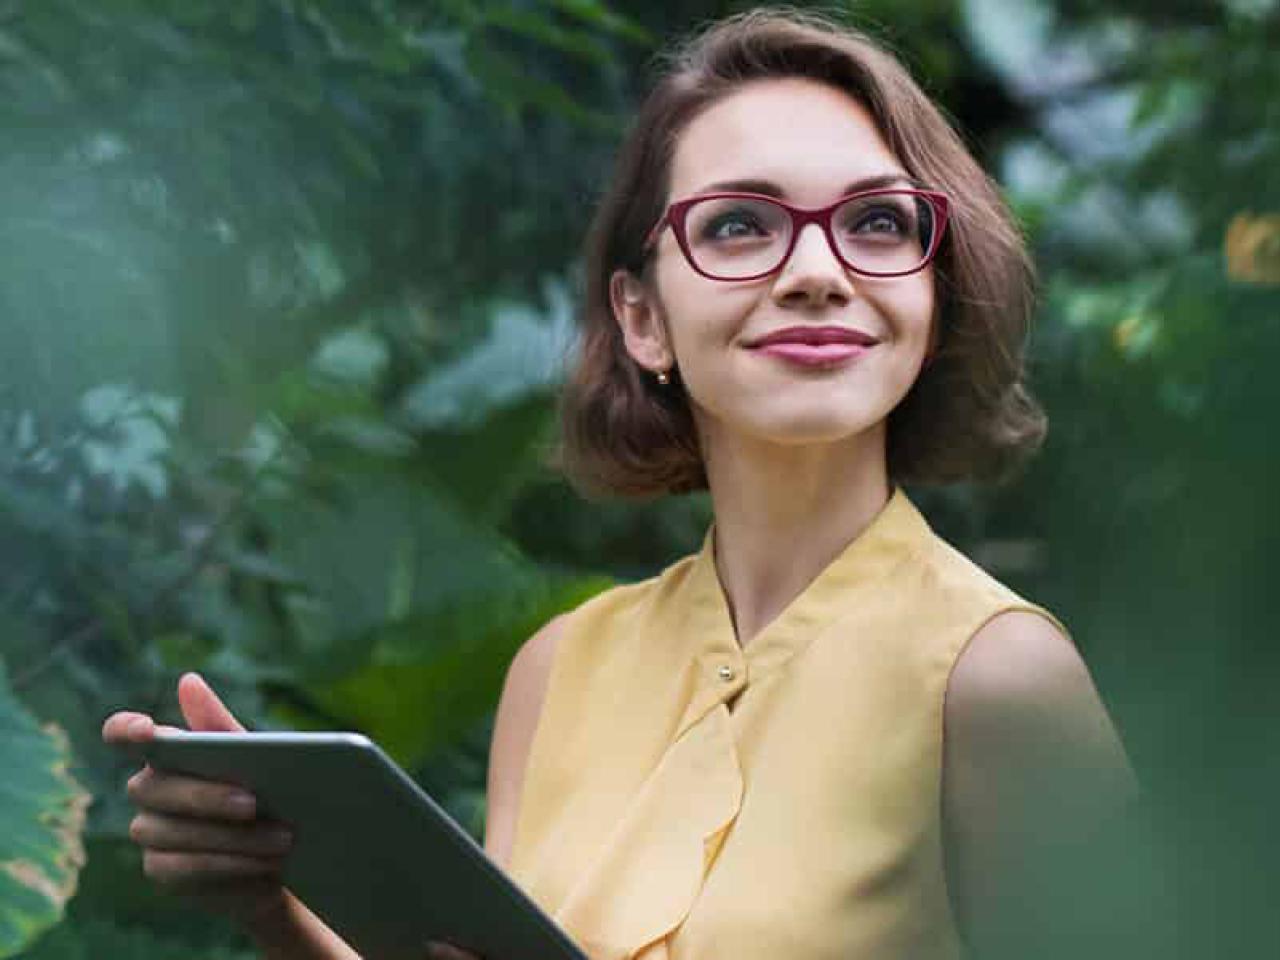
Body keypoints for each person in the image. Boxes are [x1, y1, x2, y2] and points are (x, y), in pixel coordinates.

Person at [103, 8, 1140, 960]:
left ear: (933, 289)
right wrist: (268, 903)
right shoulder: (557, 669)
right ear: (642, 318)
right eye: (740, 225)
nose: (819, 269)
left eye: (876, 223)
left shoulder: (996, 678)